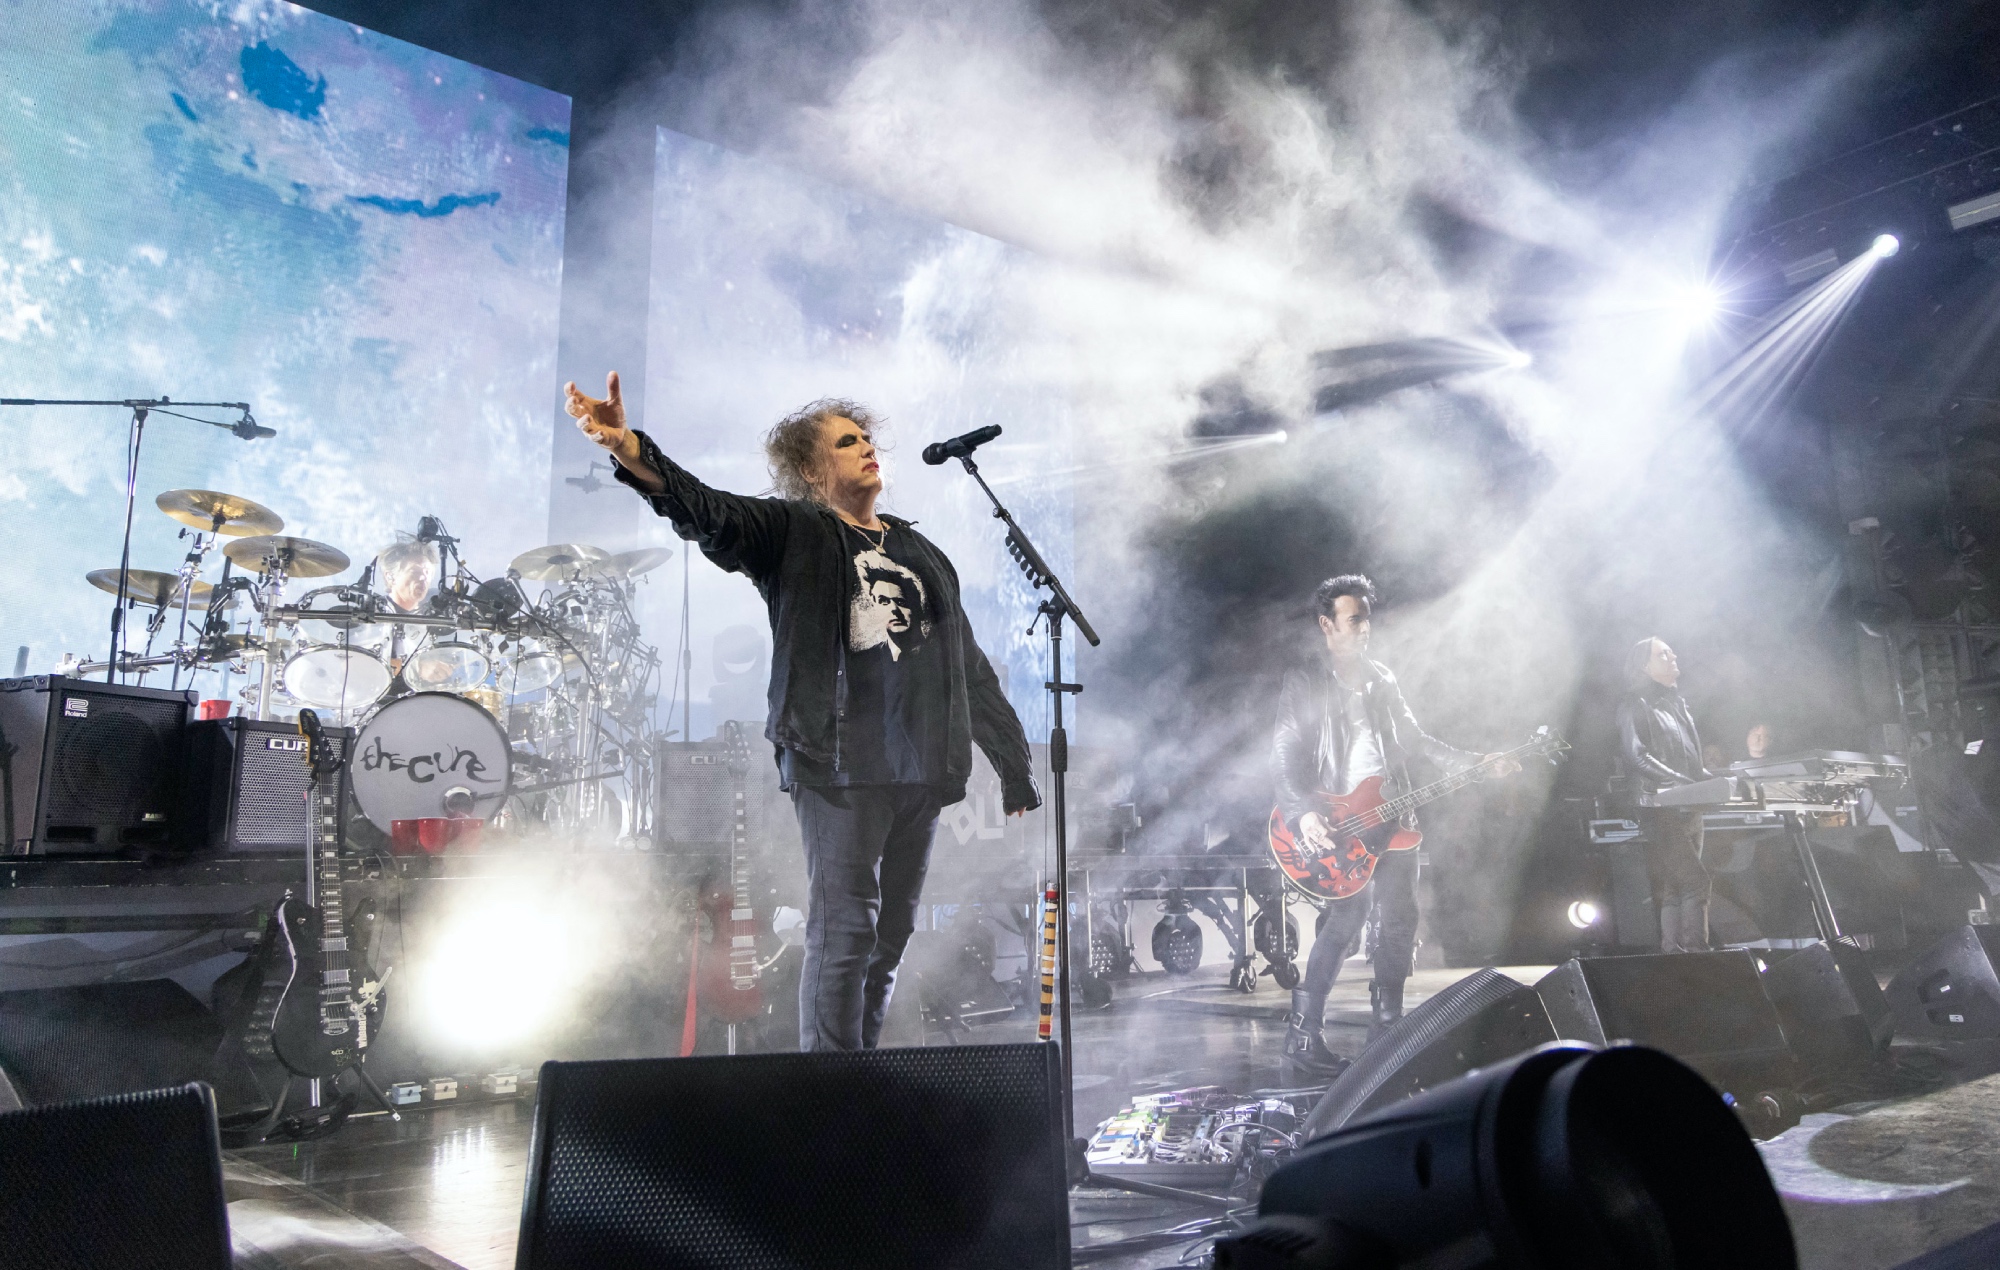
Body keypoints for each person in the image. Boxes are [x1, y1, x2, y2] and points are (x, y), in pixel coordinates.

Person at [565, 372, 1040, 1051]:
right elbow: (707, 510)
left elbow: (969, 667)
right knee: (845, 929)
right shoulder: (793, 533)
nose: (868, 448)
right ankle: (828, 1092)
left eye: (868, 438)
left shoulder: (921, 552)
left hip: (921, 772)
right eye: (848, 442)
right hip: (839, 764)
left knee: (891, 935)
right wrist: (630, 448)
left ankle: (858, 1072)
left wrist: (1012, 767)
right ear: (814, 470)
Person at [1272, 574, 1518, 1077]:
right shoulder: (1307, 679)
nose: (1364, 628)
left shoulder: (1381, 679)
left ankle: (1387, 1033)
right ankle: (1303, 1034)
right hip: (1340, 818)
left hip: (1392, 816)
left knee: (1401, 921)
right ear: (1327, 624)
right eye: (1354, 618)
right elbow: (1286, 749)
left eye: (1367, 618)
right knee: (1346, 921)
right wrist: (1303, 811)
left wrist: (1476, 761)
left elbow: (1416, 740)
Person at [1616, 637, 1714, 953]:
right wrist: (1680, 782)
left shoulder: (1676, 703)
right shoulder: (1634, 702)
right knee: (1696, 882)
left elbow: (1692, 758)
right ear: (1645, 666)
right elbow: (1637, 755)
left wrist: (1718, 781)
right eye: (1663, 653)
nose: (1673, 656)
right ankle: (1696, 954)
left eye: (1671, 650)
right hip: (1659, 806)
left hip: (1688, 804)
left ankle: (1675, 955)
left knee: (1677, 887)